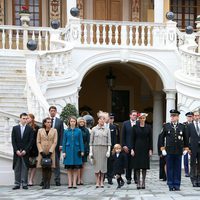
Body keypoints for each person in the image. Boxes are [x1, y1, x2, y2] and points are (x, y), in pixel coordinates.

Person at [160, 109, 189, 191]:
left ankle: (177, 184)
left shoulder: (182, 126)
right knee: (170, 168)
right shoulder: (166, 126)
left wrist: (186, 148)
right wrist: (162, 148)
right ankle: (170, 184)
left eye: (174, 116)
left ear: (178, 117)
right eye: (171, 116)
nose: (172, 117)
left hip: (179, 151)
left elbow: (186, 139)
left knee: (177, 168)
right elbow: (161, 138)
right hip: (169, 151)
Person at [11, 113, 34, 190]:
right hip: (17, 152)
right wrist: (16, 150)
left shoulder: (30, 129)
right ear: (20, 119)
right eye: (23, 118)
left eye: (26, 118)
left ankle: (24, 184)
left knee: (25, 167)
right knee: (17, 167)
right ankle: (17, 183)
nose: (25, 120)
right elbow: (13, 141)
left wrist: (25, 150)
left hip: (25, 152)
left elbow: (31, 141)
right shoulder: (15, 128)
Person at [130, 113, 153, 189]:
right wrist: (132, 149)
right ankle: (138, 182)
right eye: (141, 118)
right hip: (137, 147)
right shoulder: (135, 127)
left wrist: (150, 149)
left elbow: (150, 139)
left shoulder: (149, 127)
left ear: (145, 119)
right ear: (138, 119)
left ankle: (143, 182)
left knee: (144, 166)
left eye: (143, 118)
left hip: (145, 148)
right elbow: (132, 139)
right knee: (137, 166)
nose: (142, 119)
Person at [89, 114, 111, 188]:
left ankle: (102, 181)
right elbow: (91, 142)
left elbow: (109, 142)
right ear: (98, 120)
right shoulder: (94, 129)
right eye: (100, 119)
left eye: (103, 119)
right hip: (96, 149)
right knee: (96, 166)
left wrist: (108, 151)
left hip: (104, 149)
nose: (102, 121)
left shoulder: (107, 130)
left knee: (103, 166)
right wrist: (91, 151)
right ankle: (97, 180)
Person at [62, 116, 84, 189]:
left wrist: (82, 150)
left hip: (76, 150)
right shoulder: (66, 131)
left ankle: (74, 183)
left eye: (74, 121)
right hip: (68, 151)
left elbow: (81, 141)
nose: (72, 123)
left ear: (76, 122)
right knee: (69, 168)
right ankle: (69, 183)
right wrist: (63, 151)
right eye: (71, 121)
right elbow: (64, 141)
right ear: (69, 122)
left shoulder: (79, 131)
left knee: (75, 168)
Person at [37, 117, 57, 189]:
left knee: (49, 167)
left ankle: (48, 183)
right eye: (47, 122)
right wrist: (41, 151)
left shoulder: (54, 130)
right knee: (43, 167)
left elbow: (55, 142)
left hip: (51, 151)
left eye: (50, 122)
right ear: (44, 123)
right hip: (42, 151)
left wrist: (51, 151)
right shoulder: (40, 130)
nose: (49, 123)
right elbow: (38, 141)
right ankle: (44, 183)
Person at [49, 106, 64, 186]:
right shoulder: (46, 121)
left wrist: (61, 144)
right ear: (49, 112)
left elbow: (62, 133)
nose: (53, 112)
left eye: (54, 111)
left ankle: (57, 180)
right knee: (46, 163)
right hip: (47, 146)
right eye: (51, 111)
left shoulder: (59, 121)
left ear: (56, 112)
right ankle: (44, 180)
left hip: (57, 145)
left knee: (56, 163)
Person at [122, 109, 138, 184]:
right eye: (133, 115)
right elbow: (123, 135)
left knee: (135, 163)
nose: (135, 116)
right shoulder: (125, 123)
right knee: (127, 163)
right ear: (130, 115)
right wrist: (124, 145)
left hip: (136, 146)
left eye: (136, 115)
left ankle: (136, 178)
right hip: (127, 146)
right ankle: (128, 178)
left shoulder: (138, 123)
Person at [106, 113, 120, 185]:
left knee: (110, 163)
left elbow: (115, 138)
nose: (111, 119)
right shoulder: (103, 126)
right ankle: (102, 178)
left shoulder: (114, 127)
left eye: (112, 118)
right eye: (110, 118)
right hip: (103, 147)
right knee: (103, 163)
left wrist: (114, 148)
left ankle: (110, 178)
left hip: (111, 147)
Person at [187, 111, 200, 187]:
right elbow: (187, 138)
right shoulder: (190, 126)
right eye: (195, 116)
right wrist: (188, 148)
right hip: (193, 148)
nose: (197, 117)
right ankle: (193, 180)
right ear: (193, 117)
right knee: (193, 164)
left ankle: (199, 179)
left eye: (198, 115)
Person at [27, 113, 40, 186]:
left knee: (33, 165)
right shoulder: (24, 126)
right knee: (28, 165)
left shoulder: (36, 127)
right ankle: (28, 179)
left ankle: (31, 180)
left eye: (28, 118)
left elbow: (37, 139)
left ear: (32, 119)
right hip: (27, 149)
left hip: (34, 148)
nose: (27, 119)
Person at [77, 117, 90, 185]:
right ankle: (78, 179)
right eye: (80, 122)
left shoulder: (86, 130)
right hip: (77, 148)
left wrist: (87, 150)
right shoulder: (76, 130)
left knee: (82, 165)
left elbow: (88, 141)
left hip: (84, 148)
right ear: (78, 122)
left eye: (83, 122)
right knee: (78, 164)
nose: (81, 123)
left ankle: (80, 178)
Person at [183, 112, 194, 177]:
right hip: (186, 144)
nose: (189, 118)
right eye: (188, 117)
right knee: (185, 159)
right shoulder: (184, 125)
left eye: (190, 116)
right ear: (186, 117)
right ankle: (186, 172)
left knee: (193, 159)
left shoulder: (194, 124)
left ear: (192, 117)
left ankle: (192, 171)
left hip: (193, 144)